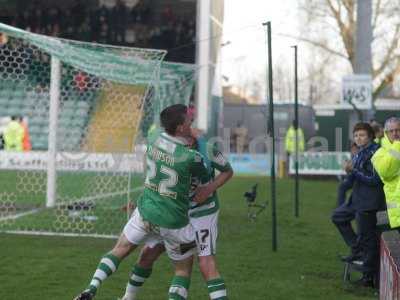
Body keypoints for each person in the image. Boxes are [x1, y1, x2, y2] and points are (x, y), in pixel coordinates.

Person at [73, 104, 212, 300]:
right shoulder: (192, 158)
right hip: (174, 221)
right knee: (182, 270)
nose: (192, 123)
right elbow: (206, 176)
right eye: (189, 121)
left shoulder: (154, 139)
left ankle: (92, 288)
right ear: (180, 127)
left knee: (120, 250)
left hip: (146, 212)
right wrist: (201, 140)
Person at [120, 126, 233, 300]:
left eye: (188, 140)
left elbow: (228, 171)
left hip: (203, 213)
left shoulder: (207, 150)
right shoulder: (171, 150)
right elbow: (159, 183)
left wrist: (208, 189)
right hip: (175, 212)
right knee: (148, 255)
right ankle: (128, 297)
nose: (183, 142)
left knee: (205, 264)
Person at [331, 122, 385, 287]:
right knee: (338, 216)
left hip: (369, 201)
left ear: (370, 136)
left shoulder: (376, 152)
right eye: (356, 135)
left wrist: (353, 170)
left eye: (362, 135)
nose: (358, 138)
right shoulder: (359, 151)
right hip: (356, 199)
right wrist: (349, 171)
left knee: (369, 237)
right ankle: (357, 248)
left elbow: (375, 180)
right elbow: (355, 175)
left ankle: (368, 277)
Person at [372, 117, 400, 228]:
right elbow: (386, 171)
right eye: (391, 131)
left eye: (398, 130)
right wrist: (397, 145)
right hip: (397, 212)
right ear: (386, 133)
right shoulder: (379, 153)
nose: (395, 133)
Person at [336, 143, 358, 207]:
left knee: (343, 187)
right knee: (342, 187)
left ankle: (344, 206)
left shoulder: (360, 156)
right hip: (352, 178)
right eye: (352, 149)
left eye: (355, 149)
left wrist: (348, 166)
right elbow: (348, 170)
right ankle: (341, 206)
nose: (353, 150)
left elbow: (354, 168)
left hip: (358, 179)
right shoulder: (352, 156)